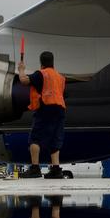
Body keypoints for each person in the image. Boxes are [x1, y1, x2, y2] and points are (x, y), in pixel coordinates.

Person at [22, 49, 68, 179]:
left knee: (35, 138)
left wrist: (21, 69)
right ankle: (56, 169)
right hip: (60, 109)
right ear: (53, 62)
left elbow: (24, 81)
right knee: (55, 138)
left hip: (46, 107)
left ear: (41, 63)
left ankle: (35, 168)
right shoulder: (60, 77)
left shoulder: (41, 74)